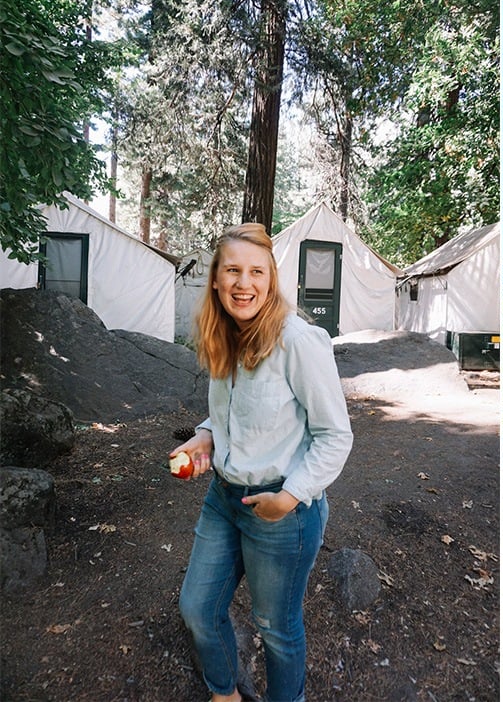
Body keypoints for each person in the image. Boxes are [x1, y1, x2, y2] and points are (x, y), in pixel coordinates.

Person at [170, 222, 353, 702]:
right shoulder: (222, 334)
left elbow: (336, 436)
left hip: (280, 510)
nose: (243, 283)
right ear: (215, 278)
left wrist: (289, 497)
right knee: (198, 608)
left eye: (256, 272)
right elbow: (228, 415)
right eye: (232, 270)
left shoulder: (298, 341)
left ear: (272, 280)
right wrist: (204, 439)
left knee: (275, 626)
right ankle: (225, 693)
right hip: (222, 499)